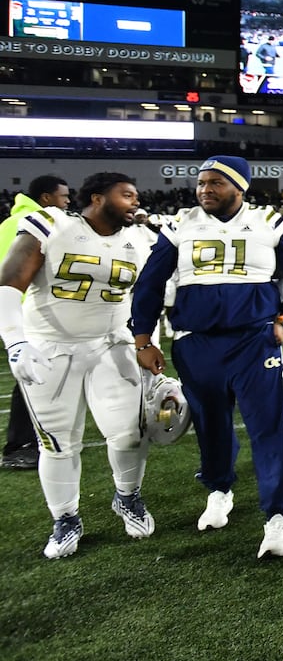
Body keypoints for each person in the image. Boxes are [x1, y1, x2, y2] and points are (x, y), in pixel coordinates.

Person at [130, 155, 283, 559]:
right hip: (197, 342)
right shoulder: (180, 224)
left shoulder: (271, 222)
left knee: (268, 427)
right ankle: (219, 489)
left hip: (255, 340)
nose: (204, 190)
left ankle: (278, 516)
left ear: (239, 187)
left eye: (215, 183)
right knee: (211, 426)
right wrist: (143, 338)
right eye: (201, 183)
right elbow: (149, 283)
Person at [0, 173, 157, 558]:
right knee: (56, 444)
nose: (134, 202)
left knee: (130, 434)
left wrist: (146, 340)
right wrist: (16, 341)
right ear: (98, 198)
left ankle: (127, 497)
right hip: (51, 349)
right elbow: (8, 283)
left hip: (111, 344)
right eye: (127, 195)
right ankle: (66, 518)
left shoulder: (139, 239)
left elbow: (157, 291)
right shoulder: (52, 224)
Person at [1, 175, 70, 471]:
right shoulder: (37, 223)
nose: (67, 202)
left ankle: (27, 441)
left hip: (14, 308)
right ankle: (20, 445)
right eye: (63, 197)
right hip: (26, 310)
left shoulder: (9, 222)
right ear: (46, 198)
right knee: (30, 374)